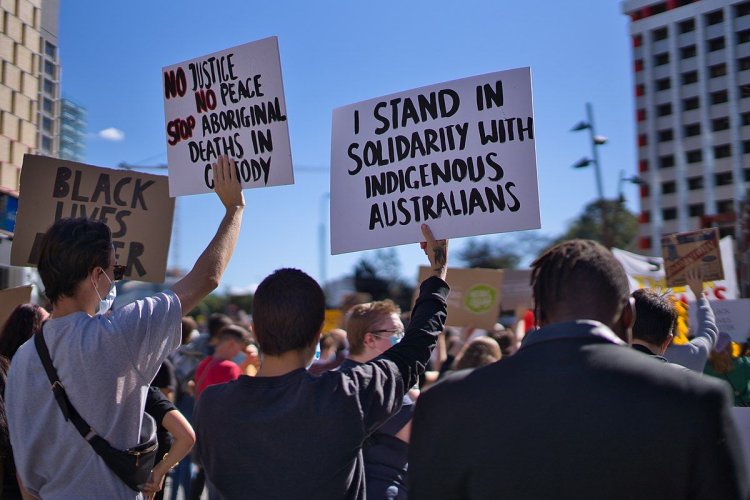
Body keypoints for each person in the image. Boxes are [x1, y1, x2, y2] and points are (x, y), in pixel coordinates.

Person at [408, 239, 747, 500]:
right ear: (628, 315)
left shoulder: (446, 403)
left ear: (537, 317)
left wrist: (438, 271)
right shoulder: (693, 402)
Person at [6, 156, 245, 499]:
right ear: (95, 275)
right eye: (114, 271)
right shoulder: (118, 335)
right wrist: (234, 209)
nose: (115, 279)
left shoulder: (22, 360)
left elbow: (25, 479)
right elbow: (206, 279)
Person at [194, 224, 448, 499]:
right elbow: (417, 345)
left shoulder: (212, 404)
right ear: (318, 333)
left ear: (254, 331)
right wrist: (438, 271)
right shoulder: (347, 394)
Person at [338, 299, 412, 499]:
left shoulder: (333, 379)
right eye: (396, 333)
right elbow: (420, 436)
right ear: (370, 340)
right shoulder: (381, 382)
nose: (403, 339)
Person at [142, 387, 195, 500]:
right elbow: (187, 438)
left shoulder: (96, 391)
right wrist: (160, 470)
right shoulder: (144, 393)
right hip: (135, 485)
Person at [664, 270, 719, 371]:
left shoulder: (634, 359)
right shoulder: (694, 352)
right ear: (675, 329)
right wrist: (699, 294)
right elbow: (708, 328)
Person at [193, 325, 252, 398]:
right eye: (241, 349)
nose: (241, 353)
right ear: (232, 344)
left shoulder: (204, 363)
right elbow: (238, 397)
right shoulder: (229, 368)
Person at [704, 333, 750, 407]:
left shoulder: (702, 367)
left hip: (715, 411)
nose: (725, 353)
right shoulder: (743, 364)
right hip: (742, 409)